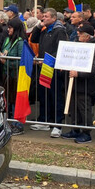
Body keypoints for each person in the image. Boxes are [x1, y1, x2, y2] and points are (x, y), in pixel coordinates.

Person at [29, 8, 68, 137]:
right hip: (44, 68)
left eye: (45, 17)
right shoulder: (44, 30)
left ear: (53, 18)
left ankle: (57, 124)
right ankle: (44, 120)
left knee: (55, 95)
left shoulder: (59, 31)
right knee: (44, 94)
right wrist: (39, 26)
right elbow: (34, 39)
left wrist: (48, 60)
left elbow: (61, 49)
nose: (43, 18)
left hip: (54, 68)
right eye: (43, 16)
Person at [60, 22, 95, 144]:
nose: (78, 34)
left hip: (85, 86)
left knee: (84, 109)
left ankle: (86, 132)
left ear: (87, 36)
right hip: (73, 85)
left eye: (81, 33)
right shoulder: (76, 45)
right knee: (74, 108)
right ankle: (75, 129)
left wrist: (79, 74)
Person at [0, 17, 25, 135]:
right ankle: (9, 121)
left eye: (10, 27)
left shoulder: (20, 42)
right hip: (7, 75)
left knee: (16, 101)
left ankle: (18, 124)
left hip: (16, 76)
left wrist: (7, 62)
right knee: (8, 100)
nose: (8, 29)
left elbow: (21, 60)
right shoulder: (7, 40)